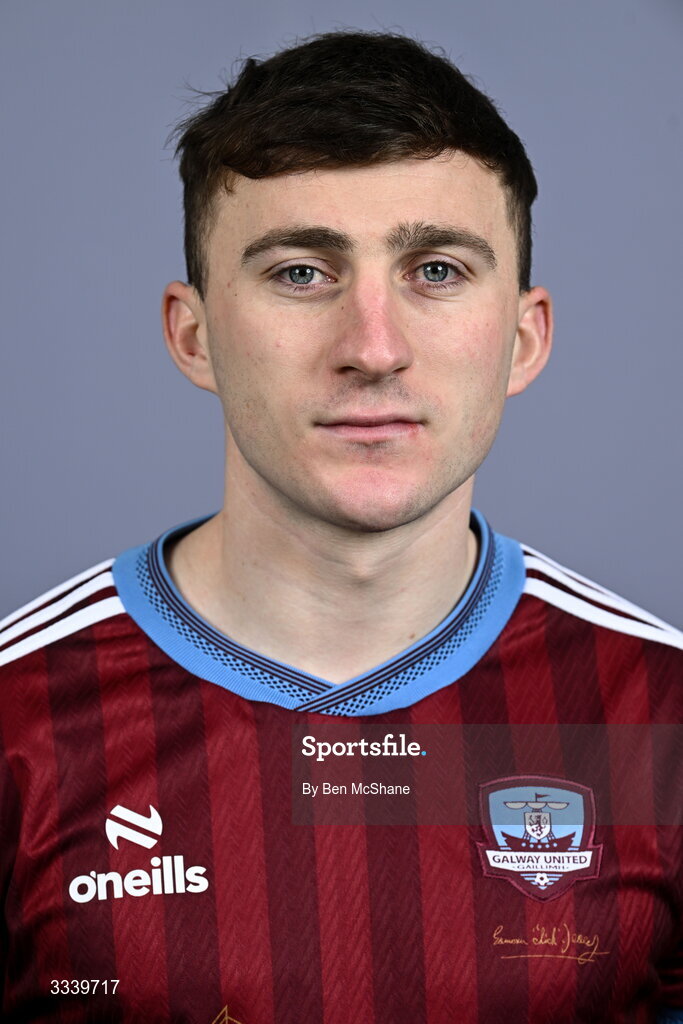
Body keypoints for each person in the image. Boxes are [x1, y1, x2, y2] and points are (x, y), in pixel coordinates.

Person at [1, 29, 681, 1024]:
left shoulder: (658, 710)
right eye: (299, 272)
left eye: (436, 270)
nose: (372, 346)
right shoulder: (19, 721)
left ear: (523, 337)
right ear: (192, 334)